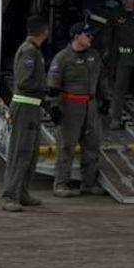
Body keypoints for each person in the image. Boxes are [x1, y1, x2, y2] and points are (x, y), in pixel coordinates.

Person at [0, 16, 53, 213]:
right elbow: (23, 81)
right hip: (24, 107)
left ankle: (22, 192)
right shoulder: (29, 51)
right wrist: (45, 87)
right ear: (44, 31)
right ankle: (10, 195)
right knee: (20, 152)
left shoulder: (34, 51)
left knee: (30, 154)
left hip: (33, 107)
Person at [49, 24, 106, 197]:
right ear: (76, 36)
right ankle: (60, 184)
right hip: (70, 106)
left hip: (91, 105)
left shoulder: (94, 56)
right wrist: (54, 107)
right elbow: (53, 85)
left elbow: (102, 79)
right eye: (87, 35)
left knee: (92, 145)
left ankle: (88, 183)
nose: (90, 38)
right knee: (66, 146)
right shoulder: (62, 58)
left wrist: (106, 99)